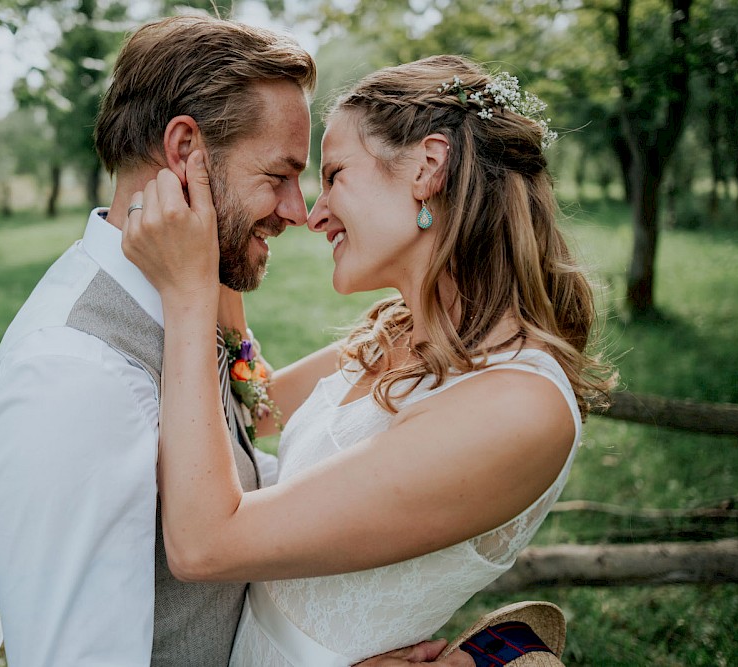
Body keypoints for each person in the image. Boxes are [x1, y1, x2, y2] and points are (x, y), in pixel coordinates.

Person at [0, 14, 466, 667]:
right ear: (184, 153)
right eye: (278, 174)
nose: (297, 209)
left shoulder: (181, 302)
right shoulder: (75, 378)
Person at [122, 54, 614, 665]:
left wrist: (190, 293)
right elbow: (257, 407)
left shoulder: (519, 405)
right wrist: (222, 234)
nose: (313, 212)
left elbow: (202, 546)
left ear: (428, 167)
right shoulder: (400, 332)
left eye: (334, 176)